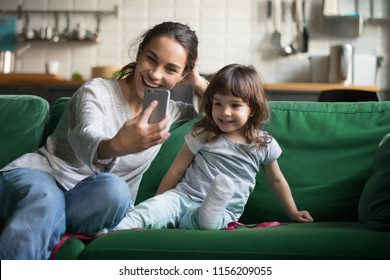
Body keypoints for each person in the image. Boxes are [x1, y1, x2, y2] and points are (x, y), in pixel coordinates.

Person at [0, 21, 208, 259]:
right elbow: (86, 135)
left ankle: (44, 224)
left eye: (171, 69)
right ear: (139, 53)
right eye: (151, 59)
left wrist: (197, 80)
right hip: (44, 176)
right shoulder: (96, 91)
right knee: (46, 200)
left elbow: (220, 111)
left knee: (115, 190)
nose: (155, 74)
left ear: (183, 74)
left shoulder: (170, 112)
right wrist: (116, 146)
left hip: (90, 201)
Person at [115, 63, 313, 231]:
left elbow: (277, 181)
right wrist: (161, 201)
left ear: (252, 108)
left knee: (208, 220)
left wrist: (293, 212)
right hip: (183, 197)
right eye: (218, 104)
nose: (224, 112)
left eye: (235, 106)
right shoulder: (203, 133)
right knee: (150, 210)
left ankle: (213, 202)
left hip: (223, 211)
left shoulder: (263, 144)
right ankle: (115, 229)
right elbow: (176, 170)